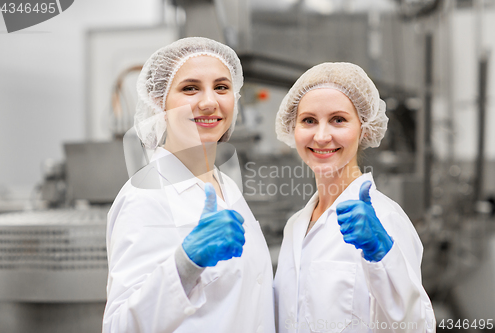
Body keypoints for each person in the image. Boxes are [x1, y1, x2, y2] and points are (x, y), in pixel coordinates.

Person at [102, 37, 274, 333]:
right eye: (190, 88)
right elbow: (120, 327)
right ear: (160, 103)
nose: (209, 102)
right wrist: (185, 264)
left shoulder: (226, 186)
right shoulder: (145, 197)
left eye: (221, 87)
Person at [273, 63, 435, 333]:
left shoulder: (384, 219)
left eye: (338, 119)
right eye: (309, 120)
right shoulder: (295, 226)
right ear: (293, 127)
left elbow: (418, 327)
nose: (322, 136)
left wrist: (381, 252)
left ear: (364, 128)